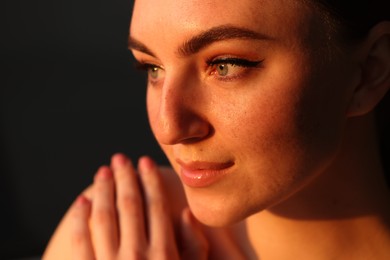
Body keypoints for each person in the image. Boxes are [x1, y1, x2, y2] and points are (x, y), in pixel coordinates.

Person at [42, 0, 390, 259]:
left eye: (225, 65)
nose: (169, 128)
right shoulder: (119, 236)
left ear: (370, 71)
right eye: (152, 69)